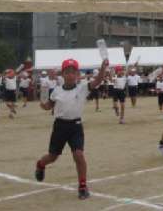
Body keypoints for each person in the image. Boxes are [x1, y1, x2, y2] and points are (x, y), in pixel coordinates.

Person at [35, 57, 108, 199]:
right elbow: (48, 106)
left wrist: (103, 67)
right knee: (53, 157)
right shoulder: (56, 91)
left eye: (73, 72)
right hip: (60, 126)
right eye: (67, 72)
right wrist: (43, 105)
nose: (70, 75)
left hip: (76, 126)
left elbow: (98, 80)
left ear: (77, 74)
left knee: (78, 155)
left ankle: (82, 186)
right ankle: (40, 164)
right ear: (62, 74)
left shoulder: (83, 88)